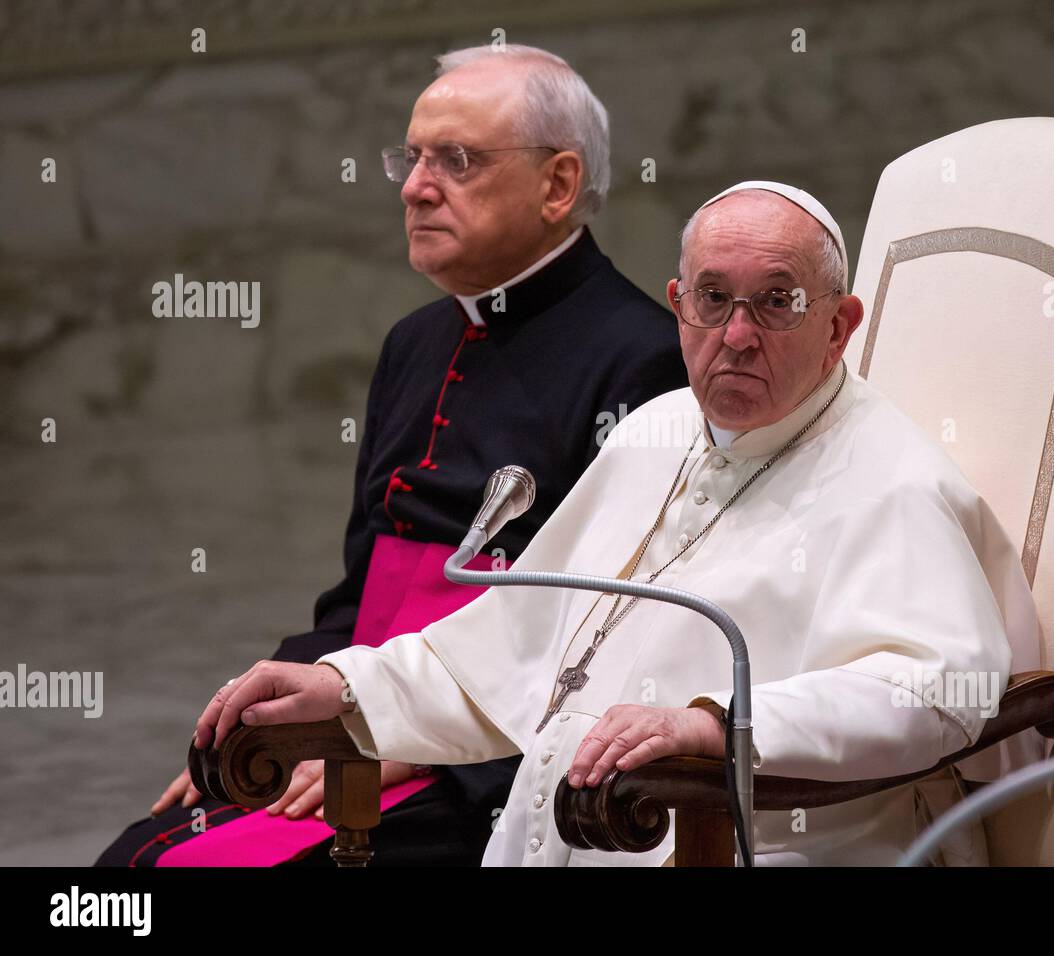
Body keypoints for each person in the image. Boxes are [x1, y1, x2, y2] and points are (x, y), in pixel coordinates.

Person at [193, 181, 1044, 867]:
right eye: (713, 300)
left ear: (839, 326)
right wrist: (349, 686)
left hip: (787, 842)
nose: (737, 335)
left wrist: (719, 724)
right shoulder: (656, 431)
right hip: (581, 832)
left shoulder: (894, 478)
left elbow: (935, 692)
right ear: (678, 305)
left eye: (776, 303)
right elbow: (515, 655)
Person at [96, 44, 686, 867]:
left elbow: (620, 635)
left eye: (458, 160)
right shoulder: (415, 343)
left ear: (557, 185)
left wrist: (424, 738)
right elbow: (358, 597)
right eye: (410, 159)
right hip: (361, 708)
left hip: (483, 766)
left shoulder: (643, 360)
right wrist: (261, 721)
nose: (414, 186)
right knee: (127, 865)